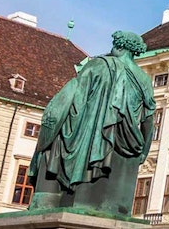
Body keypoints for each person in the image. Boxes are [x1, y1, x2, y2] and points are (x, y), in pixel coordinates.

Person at [29, 31, 155, 217]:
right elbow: (148, 119)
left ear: (119, 46)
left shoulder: (98, 65)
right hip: (128, 142)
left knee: (55, 144)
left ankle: (47, 196)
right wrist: (144, 148)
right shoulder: (144, 79)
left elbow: (72, 97)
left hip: (92, 135)